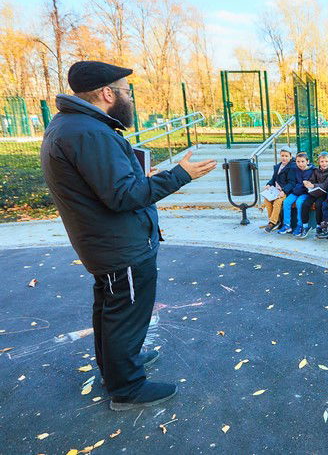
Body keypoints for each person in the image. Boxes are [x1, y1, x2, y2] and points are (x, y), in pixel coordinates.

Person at [39, 61, 216, 410]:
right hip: (120, 246)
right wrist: (179, 175)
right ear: (107, 94)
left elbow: (109, 185)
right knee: (125, 315)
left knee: (111, 310)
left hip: (105, 243)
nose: (130, 98)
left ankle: (118, 368)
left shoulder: (72, 125)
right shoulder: (89, 132)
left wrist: (139, 175)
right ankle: (127, 387)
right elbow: (123, 196)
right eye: (126, 92)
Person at [276, 152, 315, 237]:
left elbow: (309, 185)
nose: (300, 164)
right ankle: (287, 225)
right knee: (286, 202)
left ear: (307, 161)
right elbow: (292, 181)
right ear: (295, 162)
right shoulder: (294, 169)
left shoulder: (312, 170)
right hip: (295, 192)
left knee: (299, 202)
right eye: (298, 161)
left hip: (305, 193)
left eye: (302, 161)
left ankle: (300, 225)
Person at [262, 146, 296, 232]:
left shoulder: (292, 167)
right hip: (275, 190)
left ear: (290, 157)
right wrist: (269, 184)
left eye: (286, 156)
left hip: (285, 191)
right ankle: (274, 220)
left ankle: (272, 223)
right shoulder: (278, 166)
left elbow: (292, 183)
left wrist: (284, 191)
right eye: (282, 155)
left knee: (277, 202)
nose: (284, 158)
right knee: (267, 201)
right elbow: (273, 179)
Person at [300, 151, 328, 238]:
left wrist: (313, 185)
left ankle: (319, 226)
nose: (324, 163)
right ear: (318, 162)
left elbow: (326, 185)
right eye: (322, 161)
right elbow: (312, 180)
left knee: (319, 205)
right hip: (314, 192)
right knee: (305, 204)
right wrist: (308, 183)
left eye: (326, 161)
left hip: (324, 193)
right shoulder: (316, 170)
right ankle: (305, 226)